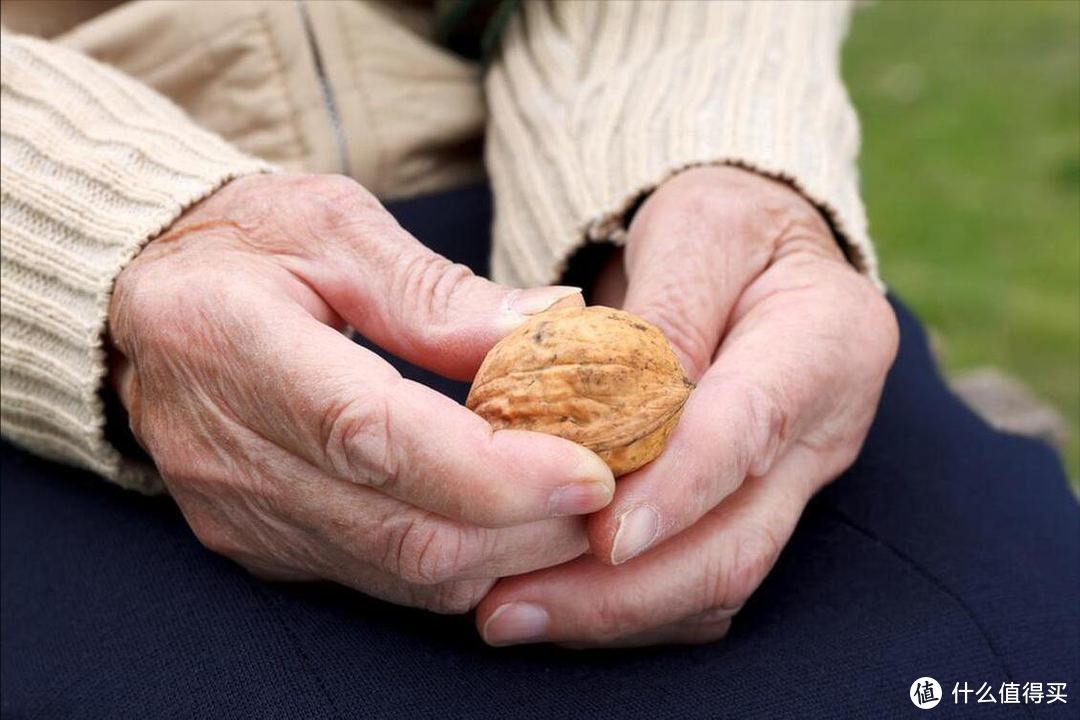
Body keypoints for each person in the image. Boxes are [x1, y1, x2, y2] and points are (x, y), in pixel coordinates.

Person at [1, 2, 1076, 717]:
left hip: (562, 223)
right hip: (69, 307)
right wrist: (94, 243)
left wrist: (701, 150)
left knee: (1022, 658)